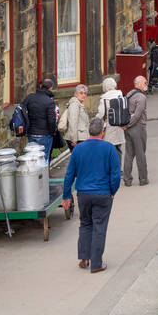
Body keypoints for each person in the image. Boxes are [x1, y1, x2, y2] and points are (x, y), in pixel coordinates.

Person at [62, 116, 120, 274]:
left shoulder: (78, 149)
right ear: (102, 131)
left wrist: (66, 195)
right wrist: (112, 191)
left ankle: (84, 258)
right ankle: (96, 263)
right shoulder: (109, 149)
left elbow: (69, 175)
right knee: (99, 226)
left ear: (89, 131)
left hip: (83, 194)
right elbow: (115, 174)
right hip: (103, 193)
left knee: (85, 224)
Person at [94, 75, 127, 177]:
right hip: (119, 126)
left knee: (109, 150)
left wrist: (95, 119)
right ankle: (119, 170)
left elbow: (101, 114)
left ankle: (111, 170)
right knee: (118, 149)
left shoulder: (104, 99)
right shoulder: (120, 95)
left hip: (109, 126)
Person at [22, 77, 59, 163]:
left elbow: (22, 112)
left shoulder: (30, 98)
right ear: (50, 88)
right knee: (44, 158)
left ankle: (34, 176)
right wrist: (53, 132)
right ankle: (44, 176)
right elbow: (51, 120)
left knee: (32, 158)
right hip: (45, 134)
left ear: (41, 86)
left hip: (31, 133)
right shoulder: (49, 102)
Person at [124, 74, 149, 184]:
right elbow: (137, 115)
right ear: (139, 84)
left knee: (129, 154)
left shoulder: (129, 94)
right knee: (140, 154)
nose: (146, 84)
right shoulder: (141, 97)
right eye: (145, 82)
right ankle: (143, 179)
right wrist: (129, 125)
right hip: (138, 128)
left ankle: (127, 179)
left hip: (128, 130)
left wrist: (125, 126)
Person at [60, 82, 90, 147]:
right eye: (81, 93)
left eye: (85, 93)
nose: (84, 95)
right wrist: (74, 139)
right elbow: (73, 122)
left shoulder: (79, 104)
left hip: (81, 137)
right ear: (76, 94)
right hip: (77, 139)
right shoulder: (75, 104)